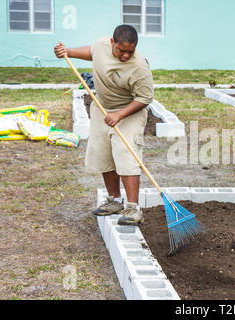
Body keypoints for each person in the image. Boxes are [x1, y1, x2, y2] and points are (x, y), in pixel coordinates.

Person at [54, 25, 154, 226]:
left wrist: (119, 114)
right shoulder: (101, 44)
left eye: (130, 51)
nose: (125, 55)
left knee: (126, 153)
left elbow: (144, 98)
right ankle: (114, 201)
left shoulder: (139, 67)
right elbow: (92, 52)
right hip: (102, 108)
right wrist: (68, 52)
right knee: (103, 153)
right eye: (121, 50)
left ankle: (133, 209)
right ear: (112, 43)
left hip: (129, 111)